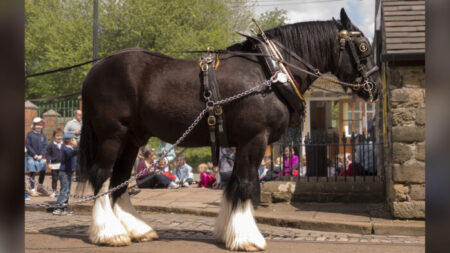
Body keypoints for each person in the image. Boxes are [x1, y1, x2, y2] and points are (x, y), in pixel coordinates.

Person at [53, 133, 79, 215]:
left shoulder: (71, 148)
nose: (76, 141)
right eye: (75, 139)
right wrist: (80, 148)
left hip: (69, 172)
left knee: (67, 190)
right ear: (71, 141)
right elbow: (70, 154)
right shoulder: (66, 149)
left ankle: (64, 208)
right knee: (64, 190)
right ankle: (58, 208)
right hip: (64, 172)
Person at [25, 117, 48, 196]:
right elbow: (28, 145)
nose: (39, 126)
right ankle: (32, 189)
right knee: (32, 171)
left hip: (40, 157)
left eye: (40, 125)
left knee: (43, 169)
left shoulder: (43, 135)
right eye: (37, 125)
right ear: (34, 125)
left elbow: (45, 146)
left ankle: (40, 187)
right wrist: (34, 154)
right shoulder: (30, 134)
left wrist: (41, 155)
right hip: (31, 156)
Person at [46, 129, 64, 198]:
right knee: (54, 179)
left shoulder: (64, 144)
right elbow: (48, 154)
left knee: (62, 179)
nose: (59, 137)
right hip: (54, 165)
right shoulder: (51, 145)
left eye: (61, 136)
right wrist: (49, 162)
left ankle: (62, 192)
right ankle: (54, 191)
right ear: (54, 137)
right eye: (57, 136)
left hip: (62, 165)